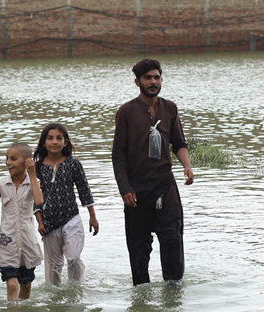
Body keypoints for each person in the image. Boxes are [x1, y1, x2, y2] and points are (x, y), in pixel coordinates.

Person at [111, 58, 194, 286]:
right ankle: (141, 302)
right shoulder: (126, 112)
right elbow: (118, 155)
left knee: (173, 245)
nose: (153, 82)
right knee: (138, 253)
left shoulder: (169, 108)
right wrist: (124, 189)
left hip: (165, 188)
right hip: (136, 192)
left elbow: (179, 142)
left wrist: (186, 166)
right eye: (147, 78)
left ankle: (173, 304)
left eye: (156, 77)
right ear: (137, 82)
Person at [34, 123, 99, 286]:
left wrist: (92, 217)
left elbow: (84, 190)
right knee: (54, 267)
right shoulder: (38, 168)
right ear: (44, 143)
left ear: (65, 142)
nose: (54, 142)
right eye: (50, 138)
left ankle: (75, 288)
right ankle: (56, 300)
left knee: (74, 257)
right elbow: (34, 198)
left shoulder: (73, 164)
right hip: (48, 223)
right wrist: (39, 221)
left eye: (59, 138)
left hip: (72, 218)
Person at [0, 143, 44, 301]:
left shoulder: (34, 182)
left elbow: (38, 201)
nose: (8, 162)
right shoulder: (2, 184)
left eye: (13, 158)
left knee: (26, 284)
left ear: (26, 161)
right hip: (8, 241)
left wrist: (32, 174)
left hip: (27, 242)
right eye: (6, 158)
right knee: (12, 284)